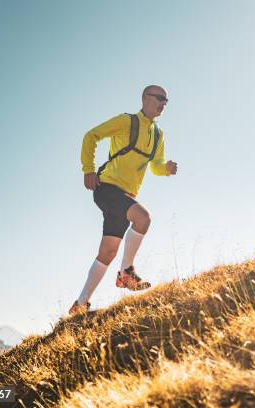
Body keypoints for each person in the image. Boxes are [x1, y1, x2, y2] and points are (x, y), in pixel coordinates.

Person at [69, 85, 178, 314]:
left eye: (166, 101)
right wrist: (88, 169)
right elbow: (92, 136)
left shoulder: (158, 135)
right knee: (143, 218)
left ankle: (80, 304)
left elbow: (155, 166)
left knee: (108, 252)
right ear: (145, 98)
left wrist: (165, 169)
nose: (163, 104)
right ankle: (126, 273)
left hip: (125, 196)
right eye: (159, 98)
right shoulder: (126, 122)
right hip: (106, 187)